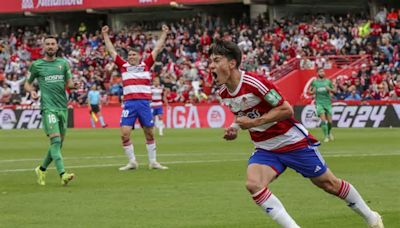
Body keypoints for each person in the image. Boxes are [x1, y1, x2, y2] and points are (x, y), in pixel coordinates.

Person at [209, 40, 383, 228]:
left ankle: (371, 217)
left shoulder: (255, 83)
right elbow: (242, 114)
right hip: (265, 147)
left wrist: (253, 123)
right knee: (253, 184)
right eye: (211, 61)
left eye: (216, 60)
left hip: (292, 142)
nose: (211, 65)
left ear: (232, 63)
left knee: (329, 184)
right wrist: (234, 128)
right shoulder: (224, 91)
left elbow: (286, 109)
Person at [102, 25, 169, 170]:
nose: (131, 57)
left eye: (134, 55)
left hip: (144, 104)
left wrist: (164, 33)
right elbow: (111, 51)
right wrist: (105, 35)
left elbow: (157, 49)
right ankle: (132, 162)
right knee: (124, 134)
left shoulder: (146, 65)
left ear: (139, 56)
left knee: (149, 133)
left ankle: (153, 162)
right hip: (129, 105)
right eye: (130, 55)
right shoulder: (123, 66)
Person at [24, 36, 76, 186]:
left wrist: (74, 85)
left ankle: (41, 169)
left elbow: (70, 83)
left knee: (57, 145)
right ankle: (63, 174)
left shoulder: (63, 64)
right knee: (56, 140)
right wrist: (32, 91)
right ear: (43, 47)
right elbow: (27, 84)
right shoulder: (37, 65)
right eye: (48, 44)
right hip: (48, 108)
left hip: (62, 108)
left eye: (53, 44)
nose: (50, 46)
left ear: (57, 46)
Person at [309, 68, 335, 142]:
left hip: (328, 103)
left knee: (330, 121)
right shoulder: (314, 82)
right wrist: (312, 91)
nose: (322, 73)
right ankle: (326, 136)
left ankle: (329, 133)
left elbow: (334, 90)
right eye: (320, 71)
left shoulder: (328, 81)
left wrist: (329, 89)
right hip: (319, 103)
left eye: (323, 71)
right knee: (323, 120)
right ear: (317, 73)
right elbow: (310, 91)